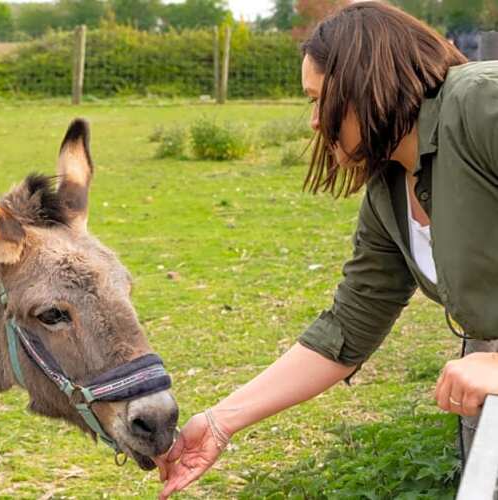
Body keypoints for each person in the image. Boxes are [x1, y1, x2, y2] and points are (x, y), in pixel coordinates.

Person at [155, 2, 498, 498]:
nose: (315, 122)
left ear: (369, 85)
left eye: (320, 100)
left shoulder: (480, 105)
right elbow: (348, 327)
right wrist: (220, 422)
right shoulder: (389, 191)